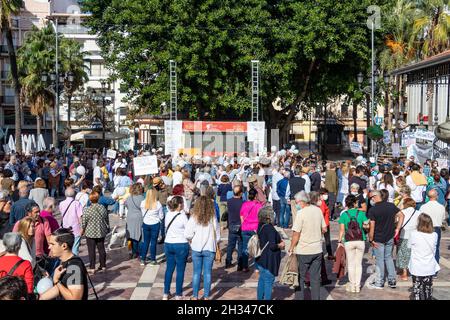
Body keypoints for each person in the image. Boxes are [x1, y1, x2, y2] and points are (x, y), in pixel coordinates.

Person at [288, 191, 326, 300]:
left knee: (300, 278)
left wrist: (291, 248)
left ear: (301, 202)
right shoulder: (318, 210)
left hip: (304, 250)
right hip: (317, 249)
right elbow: (324, 228)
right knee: (315, 279)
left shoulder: (301, 213)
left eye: (296, 203)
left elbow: (296, 234)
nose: (296, 205)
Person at [184, 195, 220, 300]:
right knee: (208, 273)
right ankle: (207, 297)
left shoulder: (194, 217)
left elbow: (187, 234)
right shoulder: (212, 216)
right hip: (209, 248)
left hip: (196, 247)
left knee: (196, 273)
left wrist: (191, 240)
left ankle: (195, 296)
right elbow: (217, 235)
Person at [368, 190, 405, 289]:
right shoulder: (391, 206)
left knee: (380, 259)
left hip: (378, 238)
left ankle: (379, 282)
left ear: (375, 197)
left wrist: (371, 239)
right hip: (389, 236)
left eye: (371, 197)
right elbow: (401, 215)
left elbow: (372, 226)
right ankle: (392, 280)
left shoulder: (373, 210)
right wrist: (398, 229)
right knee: (388, 258)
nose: (371, 200)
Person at [39, 228, 88, 300]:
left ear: (64, 246)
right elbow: (62, 287)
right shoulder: (63, 262)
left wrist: (57, 281)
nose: (49, 247)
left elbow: (75, 298)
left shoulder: (74, 267)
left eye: (52, 244)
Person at [337, 195, 369, 293]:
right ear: (355, 203)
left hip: (348, 241)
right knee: (358, 264)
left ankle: (352, 285)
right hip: (360, 240)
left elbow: (342, 230)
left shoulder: (344, 214)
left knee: (350, 264)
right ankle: (357, 285)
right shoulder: (361, 213)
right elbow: (366, 225)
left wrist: (339, 241)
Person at [408, 213, 440, 300]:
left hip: (417, 266)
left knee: (417, 290)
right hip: (429, 265)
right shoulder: (435, 235)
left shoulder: (414, 234)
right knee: (427, 290)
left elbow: (409, 246)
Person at [255, 206, 284, 300]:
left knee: (262, 280)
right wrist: (280, 245)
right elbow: (272, 246)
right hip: (269, 261)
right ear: (268, 217)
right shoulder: (270, 229)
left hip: (261, 260)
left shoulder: (260, 226)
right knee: (268, 282)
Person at [163, 196, 189, 300]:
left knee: (169, 269)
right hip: (181, 244)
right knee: (180, 270)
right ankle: (178, 294)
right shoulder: (182, 216)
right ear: (179, 205)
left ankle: (166, 293)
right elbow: (188, 231)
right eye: (182, 203)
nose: (183, 205)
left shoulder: (168, 214)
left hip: (168, 243)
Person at [81, 192, 109, 273]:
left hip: (90, 232)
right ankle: (103, 265)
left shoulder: (87, 209)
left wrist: (82, 229)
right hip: (101, 231)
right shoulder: (102, 208)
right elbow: (106, 219)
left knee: (91, 250)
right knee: (101, 249)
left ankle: (92, 267)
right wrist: (108, 228)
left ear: (90, 199)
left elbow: (84, 221)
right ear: (98, 198)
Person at [419, 189, 445, 266]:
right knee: (436, 249)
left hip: (425, 228)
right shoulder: (441, 207)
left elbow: (420, 218)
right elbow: (442, 219)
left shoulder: (423, 207)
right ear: (436, 196)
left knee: (424, 248)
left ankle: (425, 267)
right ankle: (434, 269)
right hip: (436, 228)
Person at [240, 188, 263, 272]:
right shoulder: (259, 206)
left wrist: (244, 224)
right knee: (256, 247)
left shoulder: (244, 204)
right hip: (255, 228)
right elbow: (261, 218)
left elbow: (241, 216)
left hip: (245, 227)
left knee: (245, 248)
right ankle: (257, 267)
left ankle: (245, 266)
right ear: (256, 195)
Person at [396, 198, 419, 281]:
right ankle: (414, 271)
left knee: (403, 254)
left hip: (404, 235)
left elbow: (398, 223)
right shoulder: (419, 213)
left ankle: (404, 273)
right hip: (415, 237)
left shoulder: (402, 212)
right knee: (413, 254)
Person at [140, 188, 163, 266]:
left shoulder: (143, 203)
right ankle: (153, 260)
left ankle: (143, 259)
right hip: (155, 224)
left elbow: (142, 214)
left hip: (146, 223)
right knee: (153, 242)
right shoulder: (158, 203)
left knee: (145, 242)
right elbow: (161, 216)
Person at [59, 187, 84, 255]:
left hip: (65, 228)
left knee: (66, 247)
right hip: (75, 228)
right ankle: (74, 262)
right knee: (75, 247)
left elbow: (62, 215)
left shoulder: (61, 203)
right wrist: (82, 227)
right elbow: (80, 217)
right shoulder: (77, 203)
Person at [225, 185, 244, 270]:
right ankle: (240, 264)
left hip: (232, 225)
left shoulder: (229, 201)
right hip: (240, 225)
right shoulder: (243, 202)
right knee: (240, 245)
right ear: (240, 193)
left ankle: (228, 261)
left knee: (230, 245)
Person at [124, 183, 145, 259]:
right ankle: (139, 253)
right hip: (139, 217)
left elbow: (126, 205)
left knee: (131, 236)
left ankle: (133, 252)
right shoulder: (142, 198)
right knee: (139, 235)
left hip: (130, 217)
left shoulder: (129, 198)